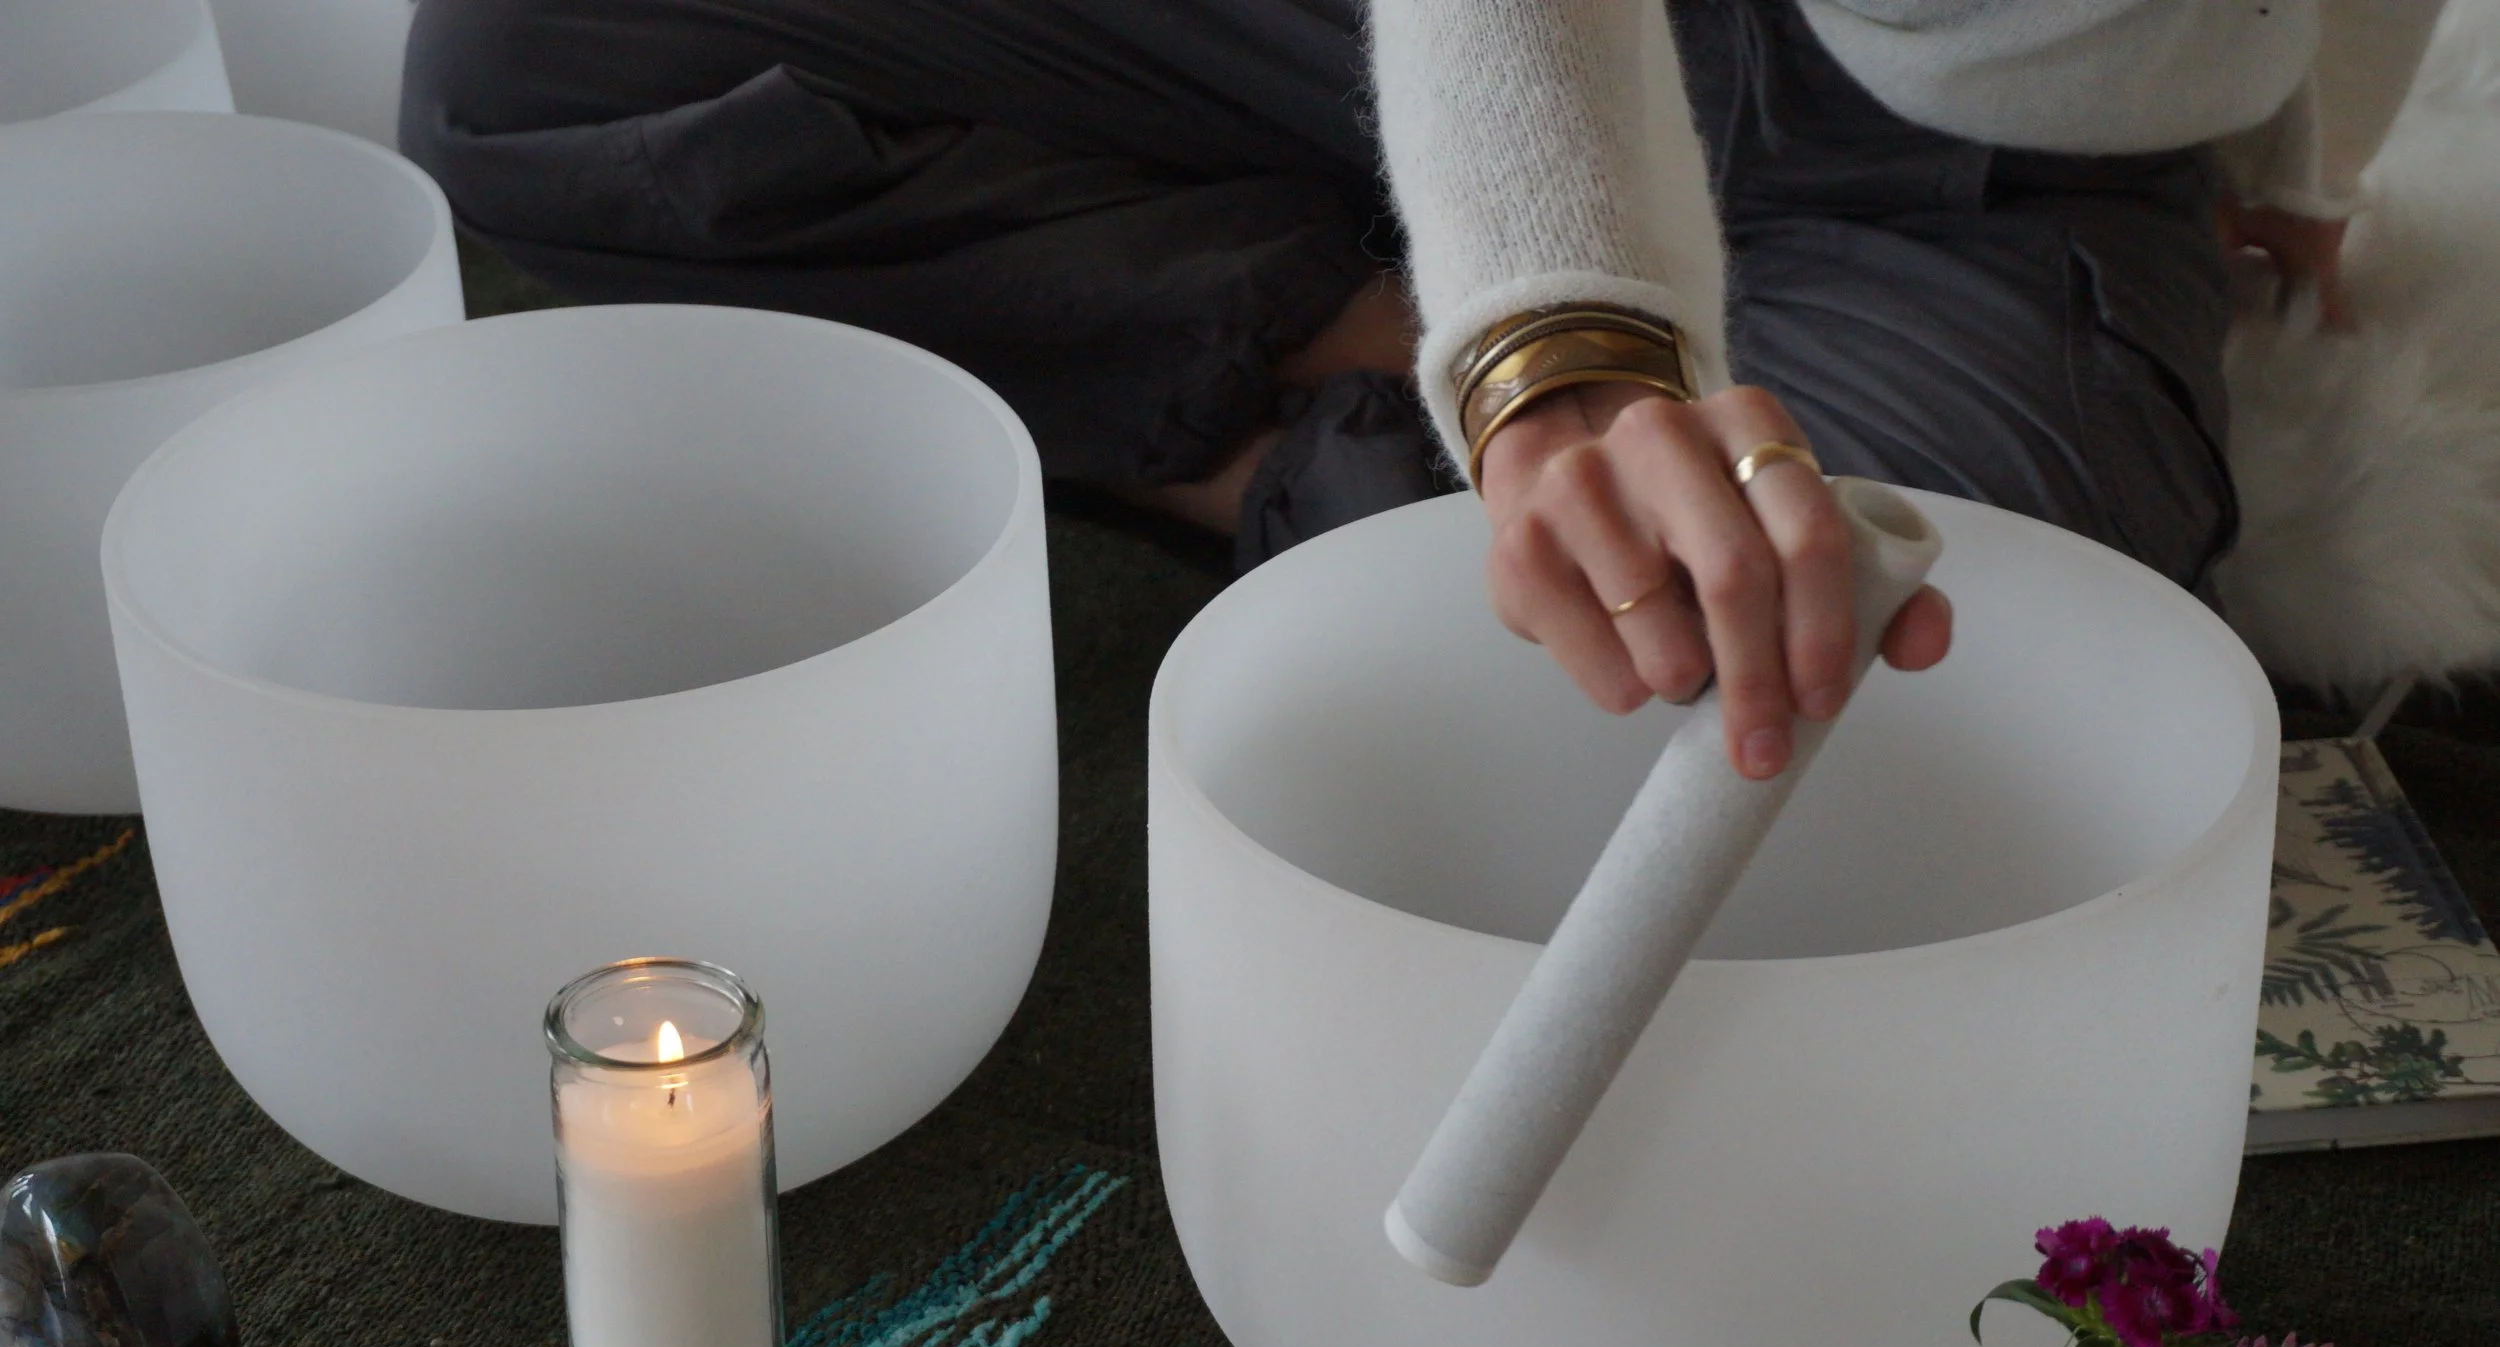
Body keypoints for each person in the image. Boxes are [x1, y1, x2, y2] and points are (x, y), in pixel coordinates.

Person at [401, 0, 2446, 777]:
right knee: (533, 57)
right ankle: (1354, 379)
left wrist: (2287, 139)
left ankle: (1286, 459)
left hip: (1991, 188)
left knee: (1916, 664)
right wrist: (1553, 344)